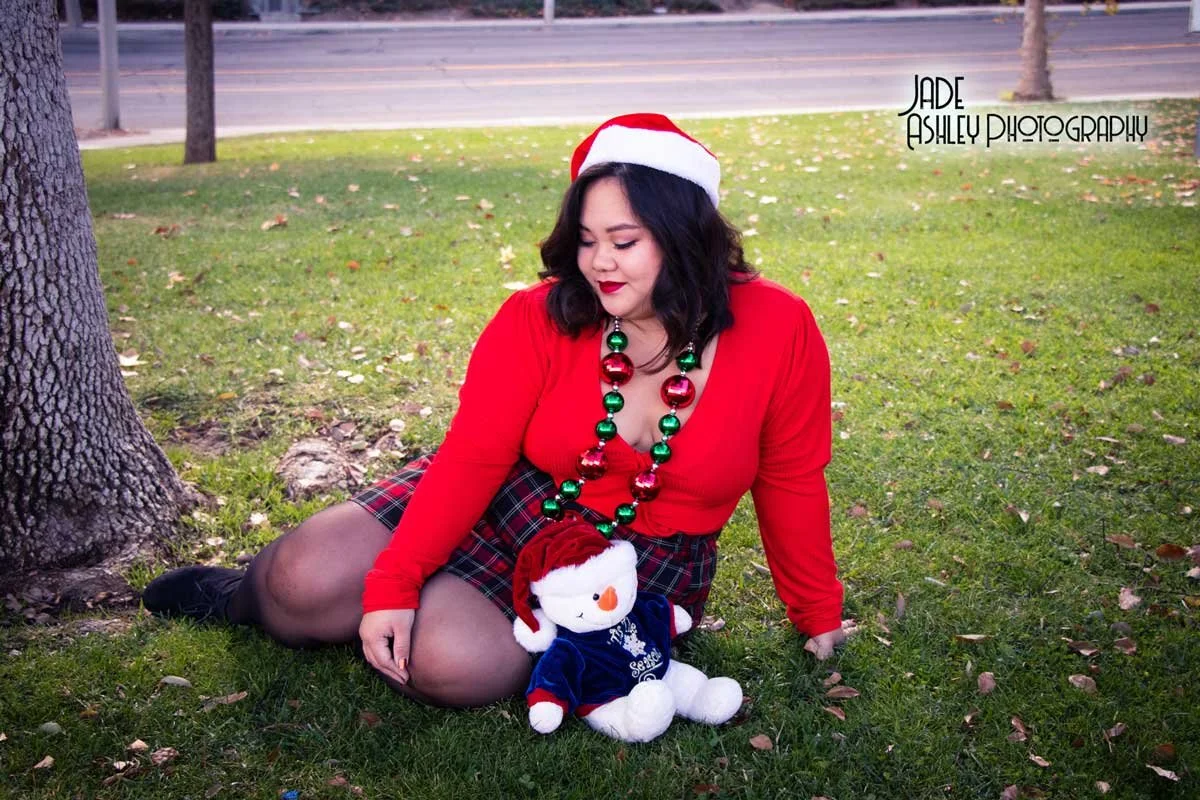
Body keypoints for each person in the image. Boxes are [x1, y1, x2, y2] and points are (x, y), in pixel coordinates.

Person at [143, 113, 849, 709]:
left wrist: (816, 609)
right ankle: (240, 595)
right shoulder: (541, 316)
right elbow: (475, 458)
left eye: (624, 241)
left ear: (686, 237)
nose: (599, 263)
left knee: (449, 665)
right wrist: (393, 581)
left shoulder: (779, 327)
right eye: (587, 240)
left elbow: (790, 477)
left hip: (640, 560)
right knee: (299, 580)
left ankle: (437, 603)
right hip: (515, 494)